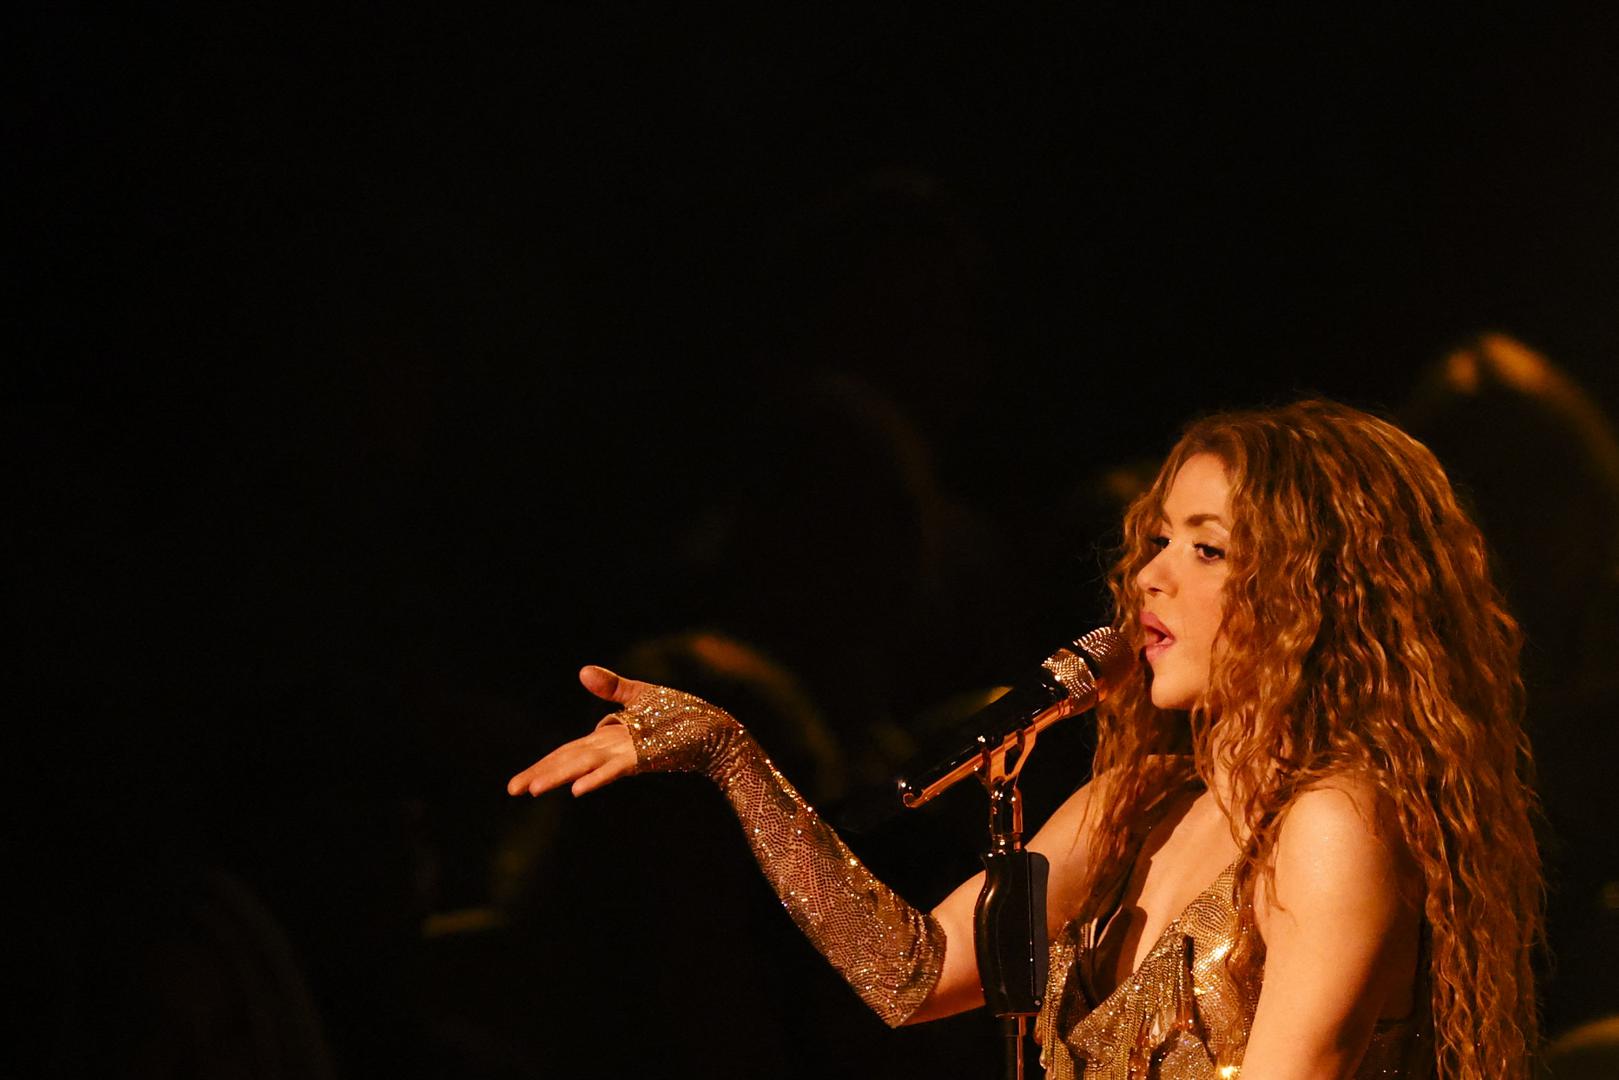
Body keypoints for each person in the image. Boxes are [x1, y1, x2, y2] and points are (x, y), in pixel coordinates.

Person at [508, 400, 1541, 1078]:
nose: (1149, 575)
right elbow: (910, 976)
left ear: (1317, 591)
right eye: (1157, 540)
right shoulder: (1135, 802)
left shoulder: (1332, 824)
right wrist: (731, 758)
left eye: (1207, 549)